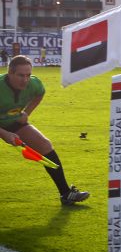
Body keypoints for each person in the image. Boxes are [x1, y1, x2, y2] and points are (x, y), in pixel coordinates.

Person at [0, 55, 88, 205]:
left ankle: (66, 194)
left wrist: (26, 113)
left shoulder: (34, 84)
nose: (25, 79)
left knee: (45, 145)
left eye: (28, 75)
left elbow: (40, 94)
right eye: (21, 75)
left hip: (13, 121)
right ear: (10, 73)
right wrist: (5, 133)